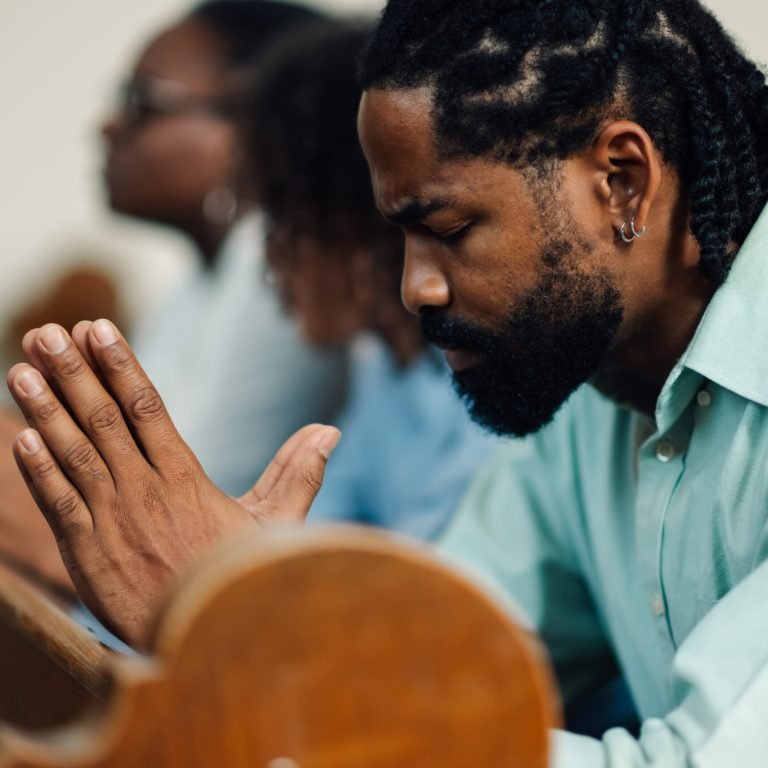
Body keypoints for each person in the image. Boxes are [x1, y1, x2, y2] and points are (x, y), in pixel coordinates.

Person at [6, 0, 768, 763]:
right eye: (398, 237)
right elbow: (443, 671)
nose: (415, 289)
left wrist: (248, 628)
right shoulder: (587, 397)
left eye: (447, 230)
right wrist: (248, 616)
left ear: (623, 181)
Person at [249, 23, 496, 540]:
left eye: (283, 216)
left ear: (356, 219)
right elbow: (317, 530)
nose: (269, 257)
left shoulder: (480, 376)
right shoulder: (386, 369)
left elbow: (419, 579)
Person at [103, 0, 347, 496]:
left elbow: (178, 497)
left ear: (247, 120)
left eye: (140, 101)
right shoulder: (197, 285)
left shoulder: (279, 266)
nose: (108, 126)